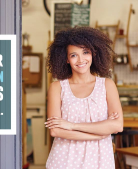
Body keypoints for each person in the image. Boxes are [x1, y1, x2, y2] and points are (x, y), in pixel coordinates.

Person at [45, 26, 123, 169]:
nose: (81, 60)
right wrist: (99, 134)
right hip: (64, 160)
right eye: (74, 55)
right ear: (66, 59)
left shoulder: (107, 85)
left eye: (85, 52)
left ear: (93, 54)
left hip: (100, 160)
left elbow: (117, 125)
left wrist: (71, 125)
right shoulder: (57, 87)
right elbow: (55, 131)